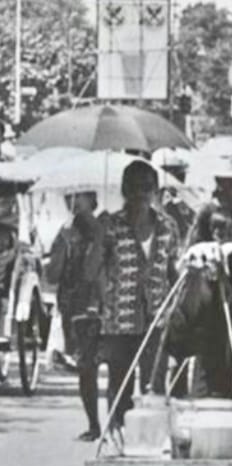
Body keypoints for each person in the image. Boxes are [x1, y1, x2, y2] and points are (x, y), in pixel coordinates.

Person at [99, 160, 181, 430]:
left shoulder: (168, 227)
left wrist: (174, 310)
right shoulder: (111, 225)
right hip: (119, 321)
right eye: (133, 188)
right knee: (119, 385)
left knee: (154, 388)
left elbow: (174, 273)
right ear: (124, 190)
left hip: (156, 321)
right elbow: (91, 273)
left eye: (146, 187)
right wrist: (97, 237)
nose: (140, 194)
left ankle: (152, 442)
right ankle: (117, 438)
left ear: (156, 190)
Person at [46, 191, 106, 441]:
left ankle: (118, 422)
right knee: (86, 368)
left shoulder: (108, 228)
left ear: (93, 200)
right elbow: (52, 275)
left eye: (80, 197)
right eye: (70, 198)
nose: (75, 202)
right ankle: (94, 424)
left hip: (106, 305)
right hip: (77, 310)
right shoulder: (65, 234)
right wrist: (64, 245)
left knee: (117, 366)